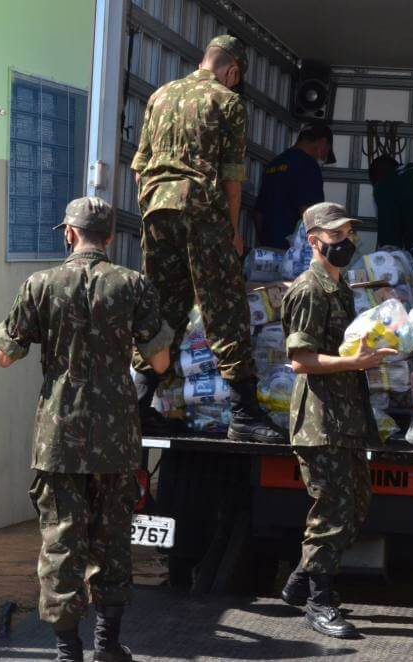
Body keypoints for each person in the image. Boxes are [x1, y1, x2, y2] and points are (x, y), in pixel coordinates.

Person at [0, 197, 172, 662]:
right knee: (112, 540)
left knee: (61, 541)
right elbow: (160, 360)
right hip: (115, 437)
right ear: (110, 237)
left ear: (69, 234)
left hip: (59, 437)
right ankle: (107, 646)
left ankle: (66, 650)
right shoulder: (133, 285)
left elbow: (5, 354)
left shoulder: (40, 284)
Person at [130, 34, 283, 443]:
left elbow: (139, 168)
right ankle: (244, 414)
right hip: (201, 212)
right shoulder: (227, 102)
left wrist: (150, 211)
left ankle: (137, 406)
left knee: (163, 306)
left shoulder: (160, 96)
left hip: (156, 211)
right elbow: (232, 177)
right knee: (224, 308)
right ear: (232, 71)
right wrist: (233, 232)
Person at [279, 202, 396, 639]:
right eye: (337, 236)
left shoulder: (339, 285)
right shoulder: (310, 290)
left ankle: (298, 584)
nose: (346, 243)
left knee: (355, 506)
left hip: (345, 417)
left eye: (349, 234)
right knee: (331, 510)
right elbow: (301, 361)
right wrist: (355, 362)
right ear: (314, 241)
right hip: (320, 419)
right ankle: (320, 601)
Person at [253, 123, 333, 249]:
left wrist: (265, 243)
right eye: (327, 151)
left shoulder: (274, 164)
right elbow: (308, 212)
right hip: (294, 254)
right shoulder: (309, 165)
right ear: (323, 143)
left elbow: (258, 213)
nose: (324, 157)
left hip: (269, 250)